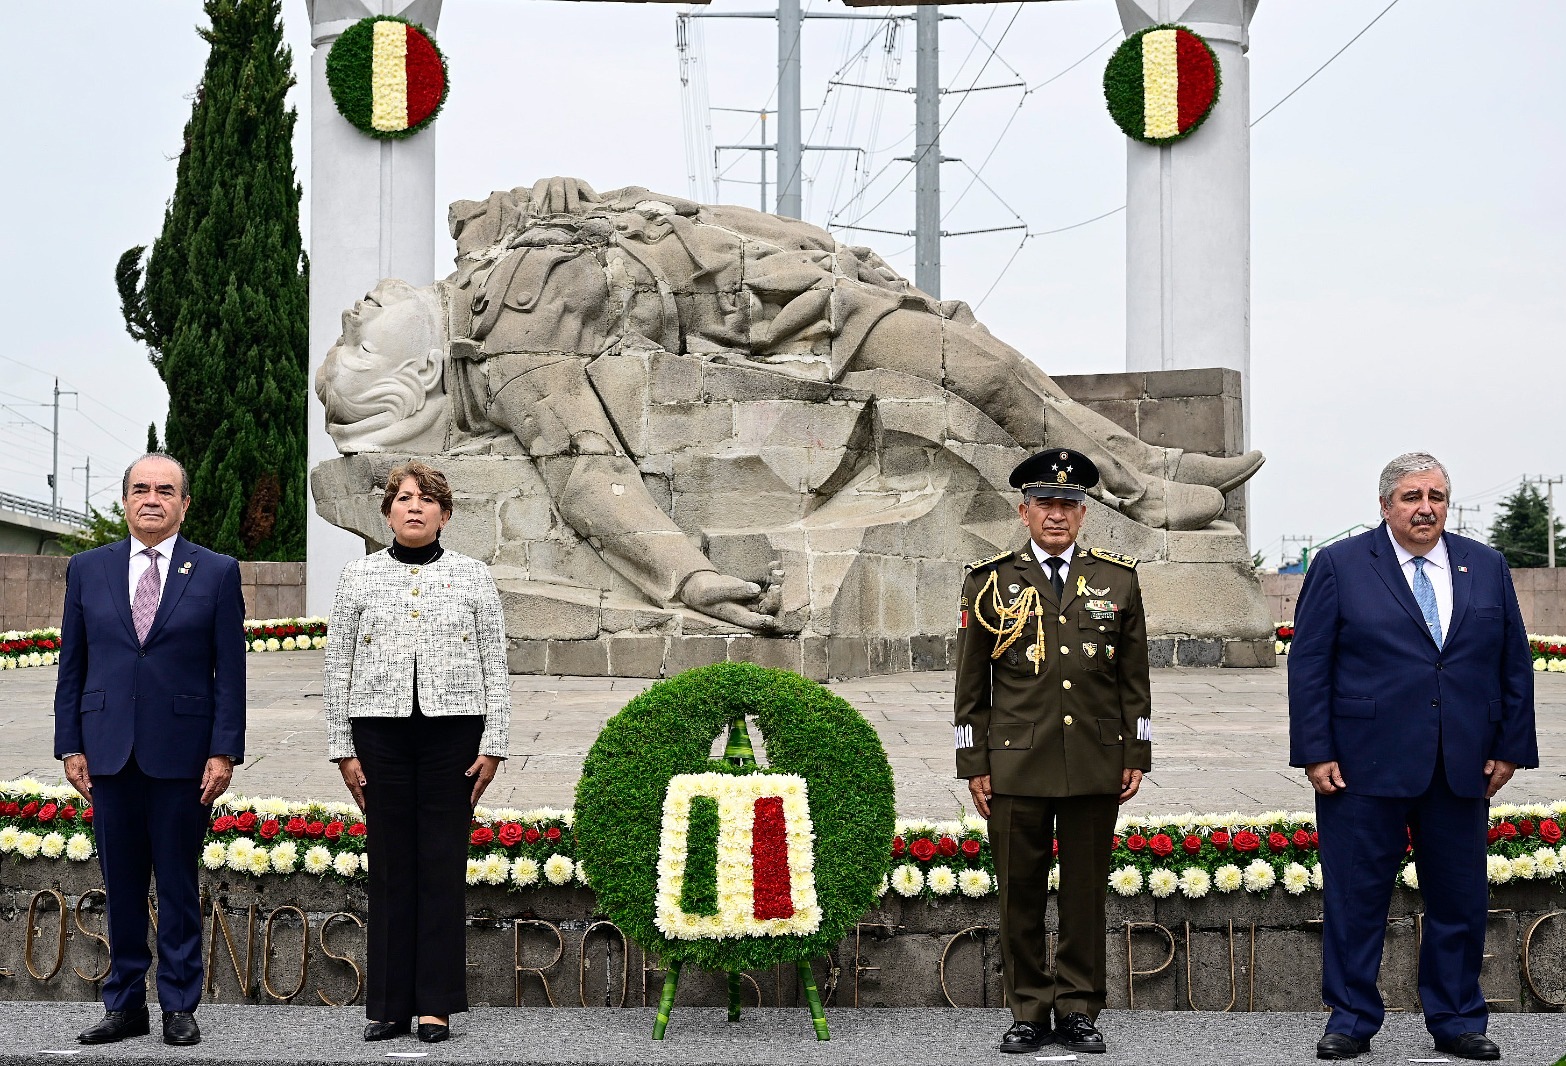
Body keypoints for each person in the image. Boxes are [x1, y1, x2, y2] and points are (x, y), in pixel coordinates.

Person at [314, 177, 1264, 630]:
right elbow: (586, 475)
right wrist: (688, 577)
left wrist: (546, 194)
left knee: (988, 349)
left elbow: (512, 199)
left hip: (793, 265)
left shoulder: (484, 252)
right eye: (355, 346)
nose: (355, 313)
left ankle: (1157, 465)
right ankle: (1142, 495)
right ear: (415, 381)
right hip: (789, 320)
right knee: (978, 369)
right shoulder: (514, 349)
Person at [1289, 452, 1538, 1062]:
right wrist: (1315, 750)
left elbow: (1513, 660)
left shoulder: (1485, 565)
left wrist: (1510, 746)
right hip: (1362, 765)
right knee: (1355, 897)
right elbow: (1310, 661)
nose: (1425, 507)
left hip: (1461, 765)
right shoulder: (1341, 565)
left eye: (1436, 496)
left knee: (1458, 899)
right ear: (1384, 506)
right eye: (1410, 496)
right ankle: (1350, 1017)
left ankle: (1456, 1018)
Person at [953, 447, 1152, 1054]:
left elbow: (1133, 679)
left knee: (1086, 893)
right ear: (1024, 511)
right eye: (1046, 504)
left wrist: (1135, 753)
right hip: (1016, 761)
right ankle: (1028, 1010)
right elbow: (970, 682)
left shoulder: (1118, 580)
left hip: (1095, 760)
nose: (1057, 515)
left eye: (1069, 505)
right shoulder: (990, 581)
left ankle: (1079, 1008)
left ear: (1084, 514)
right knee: (1018, 892)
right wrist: (974, 761)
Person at [53, 453, 245, 1047]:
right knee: (123, 884)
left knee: (179, 886)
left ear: (184, 504)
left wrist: (224, 751)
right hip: (107, 752)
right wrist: (70, 744)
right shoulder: (88, 569)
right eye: (141, 489)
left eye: (166, 490)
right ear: (127, 499)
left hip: (183, 757)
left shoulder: (215, 571)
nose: (152, 498)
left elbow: (230, 674)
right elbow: (74, 662)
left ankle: (179, 1005)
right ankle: (124, 1004)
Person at [323, 460, 511, 1044]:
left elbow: (496, 666)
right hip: (378, 734)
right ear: (387, 513)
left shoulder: (475, 576)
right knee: (391, 866)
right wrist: (343, 749)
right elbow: (337, 667)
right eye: (404, 498)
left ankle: (435, 1003)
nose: (414, 507)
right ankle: (387, 1004)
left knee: (439, 865)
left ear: (445, 515)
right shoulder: (358, 576)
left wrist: (494, 744)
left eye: (427, 500)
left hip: (452, 735)